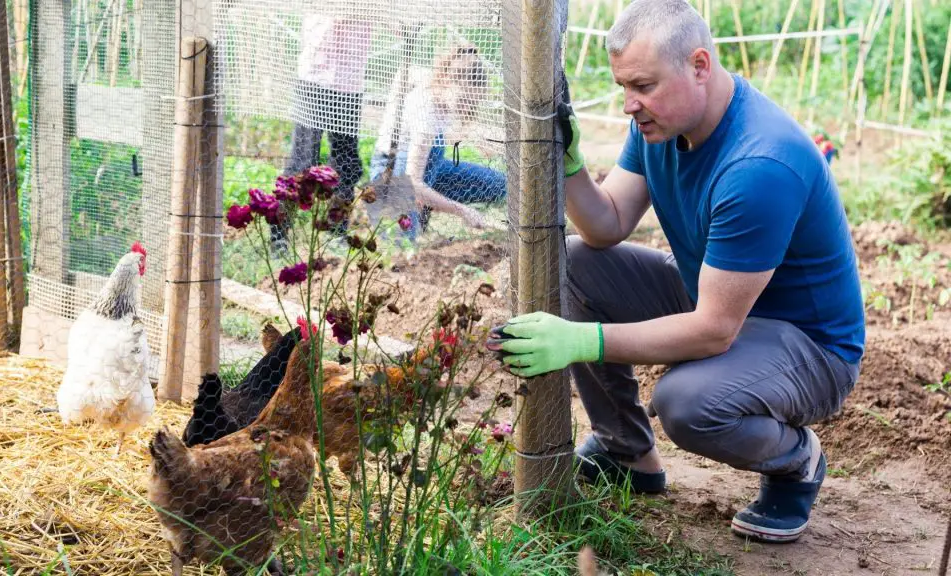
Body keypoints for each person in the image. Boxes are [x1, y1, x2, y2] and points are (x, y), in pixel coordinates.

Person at [488, 0, 865, 544]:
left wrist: (580, 340)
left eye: (642, 86)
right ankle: (628, 452)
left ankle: (795, 461)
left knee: (687, 404)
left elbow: (714, 329)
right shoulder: (660, 123)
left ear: (700, 65)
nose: (629, 105)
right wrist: (570, 166)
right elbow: (607, 224)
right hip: (717, 304)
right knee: (573, 262)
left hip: (808, 349)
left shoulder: (759, 164)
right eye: (623, 87)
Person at [369, 43, 506, 239]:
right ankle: (414, 207)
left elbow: (406, 72)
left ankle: (427, 203)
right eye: (463, 101)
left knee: (500, 184)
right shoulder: (426, 111)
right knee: (399, 243)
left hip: (430, 170)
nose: (465, 108)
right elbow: (413, 183)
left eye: (472, 103)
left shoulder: (440, 87)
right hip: (394, 174)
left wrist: (485, 142)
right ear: (449, 82)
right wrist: (461, 210)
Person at [276, 14, 372, 242]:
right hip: (315, 77)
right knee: (303, 161)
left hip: (349, 83)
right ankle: (279, 233)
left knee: (346, 161)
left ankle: (337, 230)